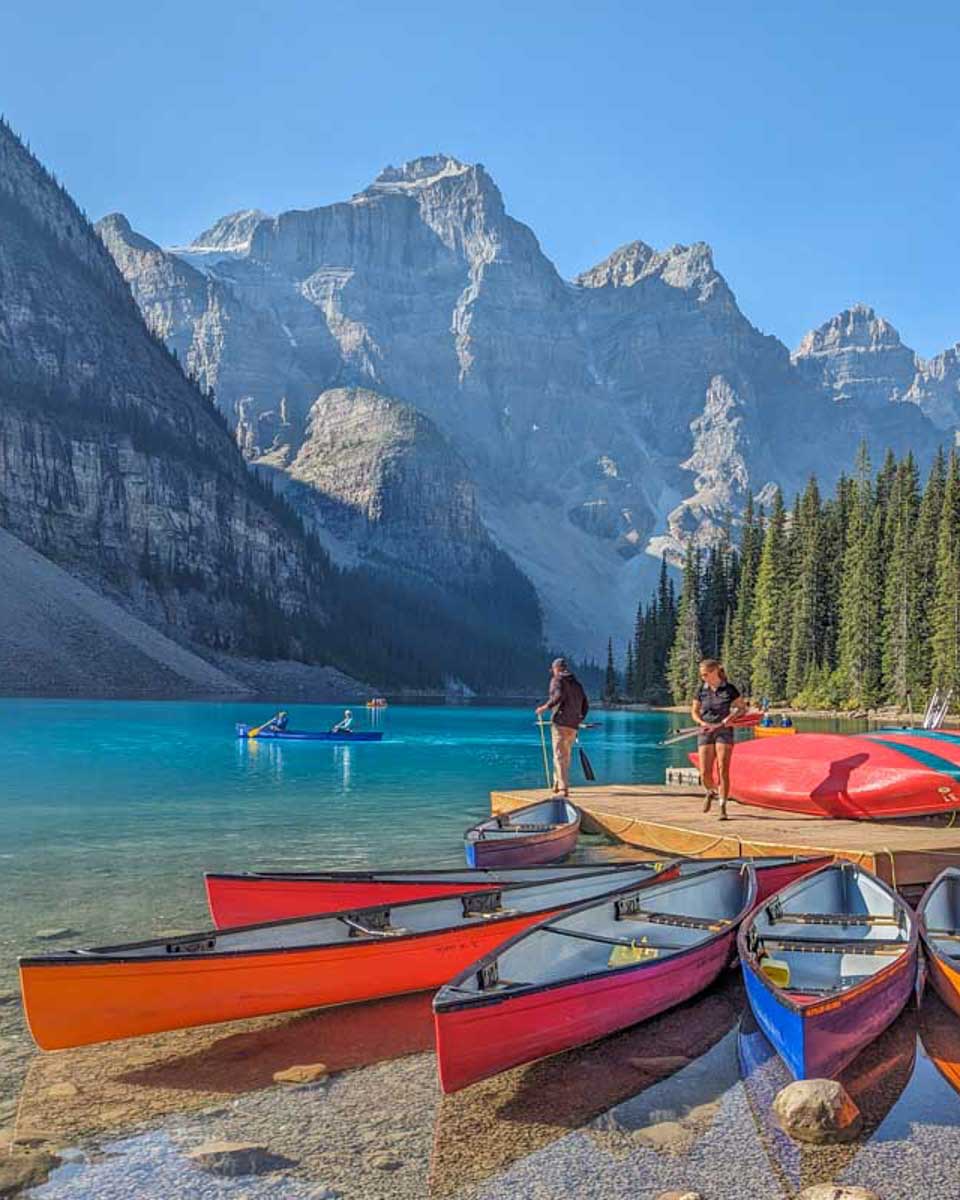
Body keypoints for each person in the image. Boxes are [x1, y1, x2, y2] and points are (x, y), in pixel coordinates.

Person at [692, 658, 746, 821]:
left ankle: (722, 805)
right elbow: (694, 711)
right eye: (701, 675)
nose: (703, 677)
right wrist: (701, 722)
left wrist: (732, 717)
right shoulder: (701, 689)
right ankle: (710, 791)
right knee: (704, 772)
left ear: (715, 671)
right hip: (705, 730)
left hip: (724, 730)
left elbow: (742, 708)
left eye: (705, 674)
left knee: (723, 768)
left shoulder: (729, 689)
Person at [535, 658, 589, 798]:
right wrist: (579, 719)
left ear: (556, 669)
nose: (553, 673)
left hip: (560, 723)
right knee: (564, 755)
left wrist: (544, 707)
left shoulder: (557, 680)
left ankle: (563, 789)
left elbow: (558, 697)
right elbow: (586, 705)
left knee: (559, 756)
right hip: (573, 725)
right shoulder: (577, 684)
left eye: (553, 670)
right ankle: (557, 784)